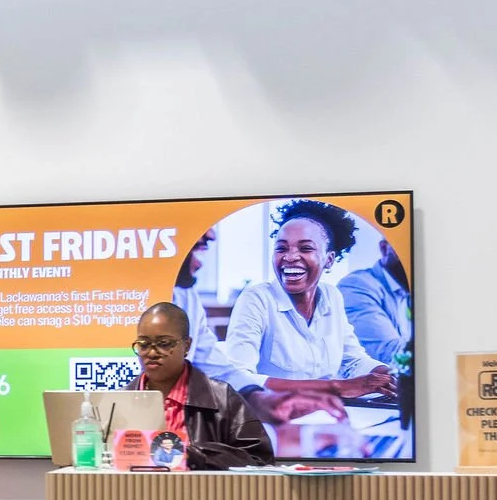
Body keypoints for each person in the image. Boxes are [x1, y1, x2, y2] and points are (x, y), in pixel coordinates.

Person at [223, 199, 396, 403]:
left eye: (305, 248)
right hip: (273, 421)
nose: (290, 257)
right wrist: (337, 387)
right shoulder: (257, 299)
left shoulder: (332, 296)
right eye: (281, 248)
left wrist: (390, 375)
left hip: (329, 416)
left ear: (329, 259)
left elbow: (352, 360)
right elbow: (238, 379)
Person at [126, 303, 274, 471]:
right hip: (136, 495)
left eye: (163, 343)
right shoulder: (119, 402)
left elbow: (259, 463)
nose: (151, 353)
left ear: (187, 346)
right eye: (144, 344)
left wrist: (196, 456)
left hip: (203, 496)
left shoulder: (223, 399)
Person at [170, 228, 239, 385]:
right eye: (197, 247)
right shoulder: (123, 299)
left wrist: (254, 390)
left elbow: (211, 364)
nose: (200, 264)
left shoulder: (186, 295)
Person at [338, 238, 413, 368]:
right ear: (384, 248)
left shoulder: (408, 294)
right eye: (408, 249)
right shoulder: (357, 286)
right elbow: (391, 355)